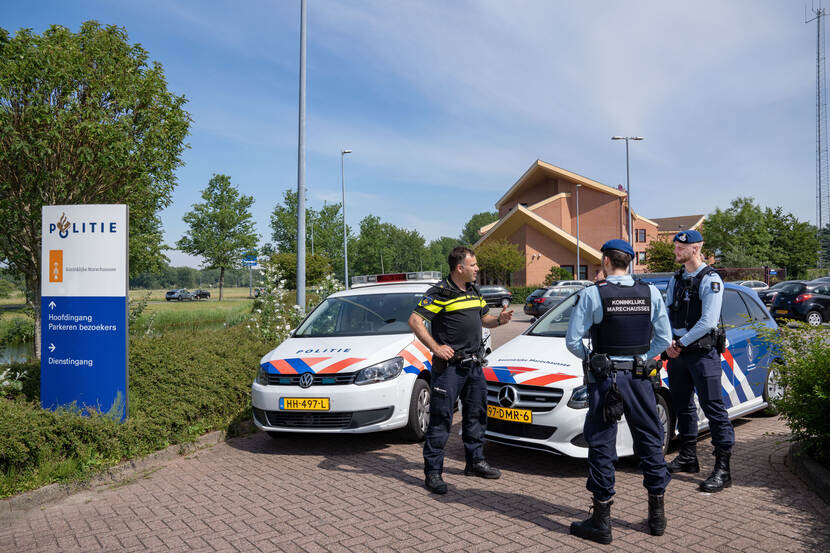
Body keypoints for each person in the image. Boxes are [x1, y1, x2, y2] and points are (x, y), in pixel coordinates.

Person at [565, 239, 672, 544]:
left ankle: (602, 522)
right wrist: (642, 357)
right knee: (650, 439)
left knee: (601, 443)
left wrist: (594, 358)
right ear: (630, 262)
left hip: (606, 379)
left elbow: (573, 341)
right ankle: (657, 517)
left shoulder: (594, 293)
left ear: (606, 262)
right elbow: (664, 339)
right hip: (639, 378)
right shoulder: (650, 292)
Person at [408, 246, 513, 494]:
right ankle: (433, 472)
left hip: (474, 366)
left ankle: (475, 462)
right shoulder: (440, 293)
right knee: (441, 419)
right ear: (459, 268)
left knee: (476, 415)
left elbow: (484, 318)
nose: (477, 269)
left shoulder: (474, 290)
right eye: (473, 265)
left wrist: (500, 320)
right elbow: (415, 321)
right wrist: (436, 347)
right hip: (449, 370)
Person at [664, 229, 733, 493]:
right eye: (675, 247)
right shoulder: (676, 279)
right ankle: (688, 457)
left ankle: (723, 471)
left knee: (714, 408)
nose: (676, 251)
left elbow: (708, 322)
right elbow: (666, 313)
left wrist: (680, 343)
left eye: (681, 248)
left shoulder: (710, 279)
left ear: (696, 249)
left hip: (702, 354)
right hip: (678, 354)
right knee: (683, 406)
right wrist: (668, 341)